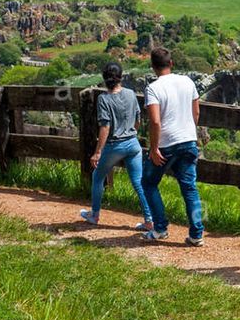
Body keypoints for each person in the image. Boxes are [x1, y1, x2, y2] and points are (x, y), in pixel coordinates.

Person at [79, 62, 154, 231]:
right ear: (121, 76)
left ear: (105, 79)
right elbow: (138, 120)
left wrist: (97, 152)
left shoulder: (103, 99)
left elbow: (105, 127)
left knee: (98, 177)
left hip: (114, 145)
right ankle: (149, 220)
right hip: (133, 143)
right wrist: (131, 133)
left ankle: (94, 215)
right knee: (138, 182)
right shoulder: (130, 93)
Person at [140, 47, 204, 245]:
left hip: (166, 144)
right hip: (188, 140)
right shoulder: (187, 81)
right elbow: (196, 113)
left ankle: (160, 228)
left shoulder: (153, 88)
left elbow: (155, 122)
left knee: (149, 184)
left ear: (153, 67)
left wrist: (154, 148)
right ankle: (196, 234)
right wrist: (188, 131)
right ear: (171, 63)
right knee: (189, 188)